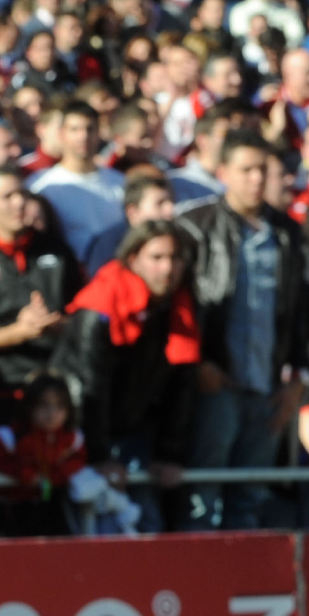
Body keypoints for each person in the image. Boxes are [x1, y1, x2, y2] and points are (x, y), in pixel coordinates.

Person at [177, 131, 309, 531]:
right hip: (217, 384)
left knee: (250, 499)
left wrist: (298, 380)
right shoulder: (195, 226)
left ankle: (241, 584)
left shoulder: (287, 232)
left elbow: (298, 313)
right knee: (202, 497)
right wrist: (198, 363)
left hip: (269, 385)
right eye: (246, 170)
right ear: (223, 173)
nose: (256, 179)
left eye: (262, 170)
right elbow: (182, 305)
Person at [55, 219, 198, 534]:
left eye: (174, 258)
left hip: (136, 434)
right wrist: (99, 455)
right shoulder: (100, 306)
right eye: (157, 257)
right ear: (133, 259)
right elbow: (87, 386)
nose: (168, 268)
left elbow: (182, 385)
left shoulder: (178, 308)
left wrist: (170, 453)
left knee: (147, 527)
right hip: (84, 441)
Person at [0, 167, 83, 422]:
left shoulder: (58, 251)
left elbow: (85, 315)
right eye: (8, 196)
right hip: (3, 383)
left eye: (23, 193)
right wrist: (17, 333)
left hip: (58, 377)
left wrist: (56, 323)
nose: (20, 202)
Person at [0, 371, 87, 536]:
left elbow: (78, 461)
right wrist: (25, 474)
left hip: (50, 506)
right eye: (44, 405)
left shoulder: (71, 438)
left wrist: (56, 476)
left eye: (59, 406)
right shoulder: (9, 436)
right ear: (29, 406)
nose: (52, 413)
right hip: (10, 509)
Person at [29, 102, 125, 267]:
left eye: (90, 129)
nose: (83, 136)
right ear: (61, 134)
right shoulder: (42, 187)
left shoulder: (121, 182)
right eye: (74, 129)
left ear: (99, 133)